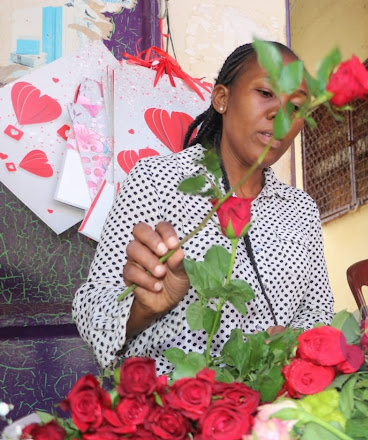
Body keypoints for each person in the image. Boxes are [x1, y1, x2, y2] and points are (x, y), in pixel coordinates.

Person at [73, 42, 334, 374]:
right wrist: (143, 308)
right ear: (222, 98)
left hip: (273, 411)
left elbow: (318, 310)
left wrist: (291, 343)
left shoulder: (301, 210)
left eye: (296, 107)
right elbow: (90, 309)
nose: (280, 114)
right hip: (172, 410)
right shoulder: (156, 181)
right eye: (266, 93)